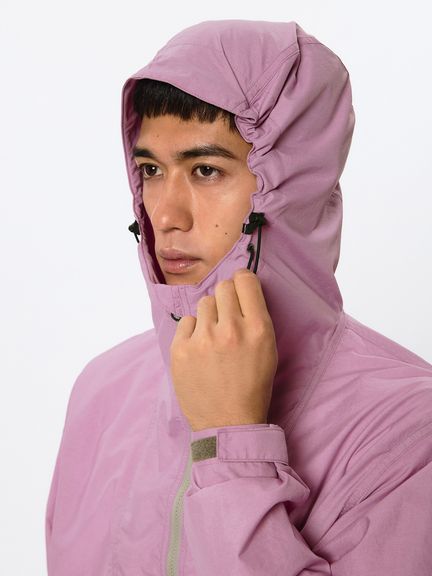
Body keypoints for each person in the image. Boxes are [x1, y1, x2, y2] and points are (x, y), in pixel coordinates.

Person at [45, 19, 432, 575]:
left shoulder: (409, 429)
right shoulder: (103, 390)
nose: (165, 215)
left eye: (205, 170)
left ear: (291, 190)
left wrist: (230, 442)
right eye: (150, 170)